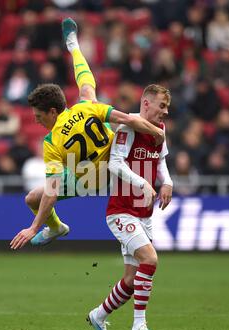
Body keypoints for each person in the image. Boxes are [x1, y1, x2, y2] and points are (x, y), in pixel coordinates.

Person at [10, 18, 164, 250]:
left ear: (52, 112)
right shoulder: (86, 107)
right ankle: (73, 46)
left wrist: (32, 228)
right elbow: (129, 119)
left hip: (90, 180)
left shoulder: (52, 141)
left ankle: (54, 227)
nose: (36, 120)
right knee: (87, 90)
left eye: (39, 116)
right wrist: (155, 131)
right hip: (115, 168)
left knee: (33, 198)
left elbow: (51, 192)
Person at [87, 84, 173, 330]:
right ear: (146, 103)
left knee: (132, 279)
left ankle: (98, 316)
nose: (165, 111)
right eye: (162, 105)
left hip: (144, 214)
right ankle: (139, 326)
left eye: (167, 107)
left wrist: (166, 182)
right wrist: (143, 183)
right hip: (121, 211)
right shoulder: (128, 127)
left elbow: (160, 160)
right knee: (150, 260)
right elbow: (115, 162)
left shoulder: (160, 130)